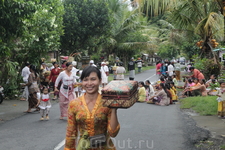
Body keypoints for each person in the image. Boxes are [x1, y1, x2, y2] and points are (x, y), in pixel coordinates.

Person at [64, 66, 120, 150]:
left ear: (100, 81)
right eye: (85, 80)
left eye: (93, 79)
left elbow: (113, 133)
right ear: (82, 82)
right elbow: (71, 132)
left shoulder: (107, 103)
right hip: (84, 147)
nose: (89, 83)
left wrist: (114, 109)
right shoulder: (74, 104)